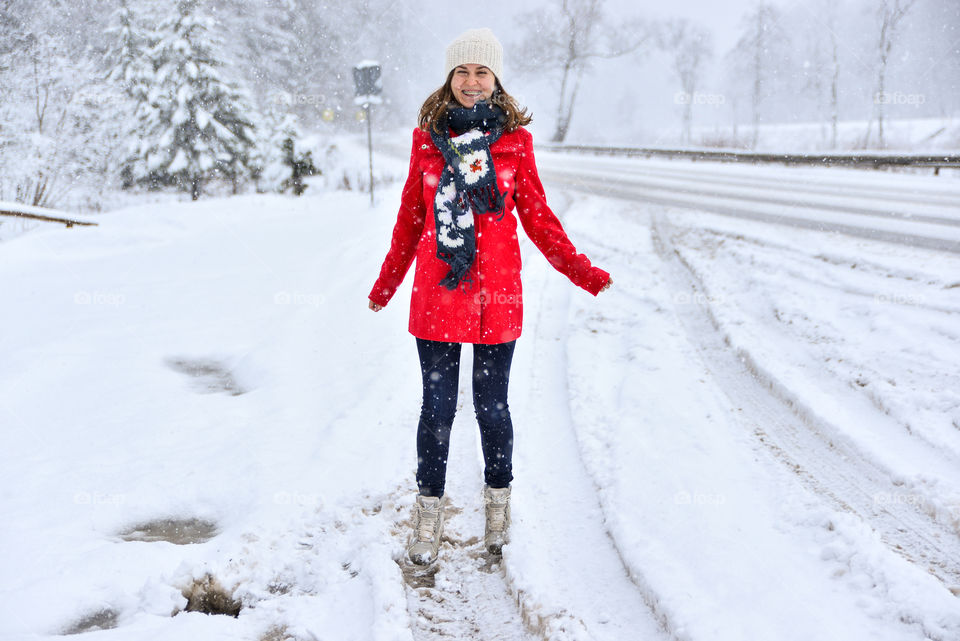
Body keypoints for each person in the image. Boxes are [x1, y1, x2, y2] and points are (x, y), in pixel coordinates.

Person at [368, 27, 612, 566]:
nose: (472, 81)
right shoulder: (427, 142)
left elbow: (540, 219)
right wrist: (386, 283)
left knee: (492, 408)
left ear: (496, 79)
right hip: (437, 296)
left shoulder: (514, 144)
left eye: (482, 72)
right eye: (463, 71)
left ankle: (498, 508)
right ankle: (428, 515)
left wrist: (582, 271)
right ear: (449, 78)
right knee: (436, 411)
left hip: (496, 300)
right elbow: (411, 220)